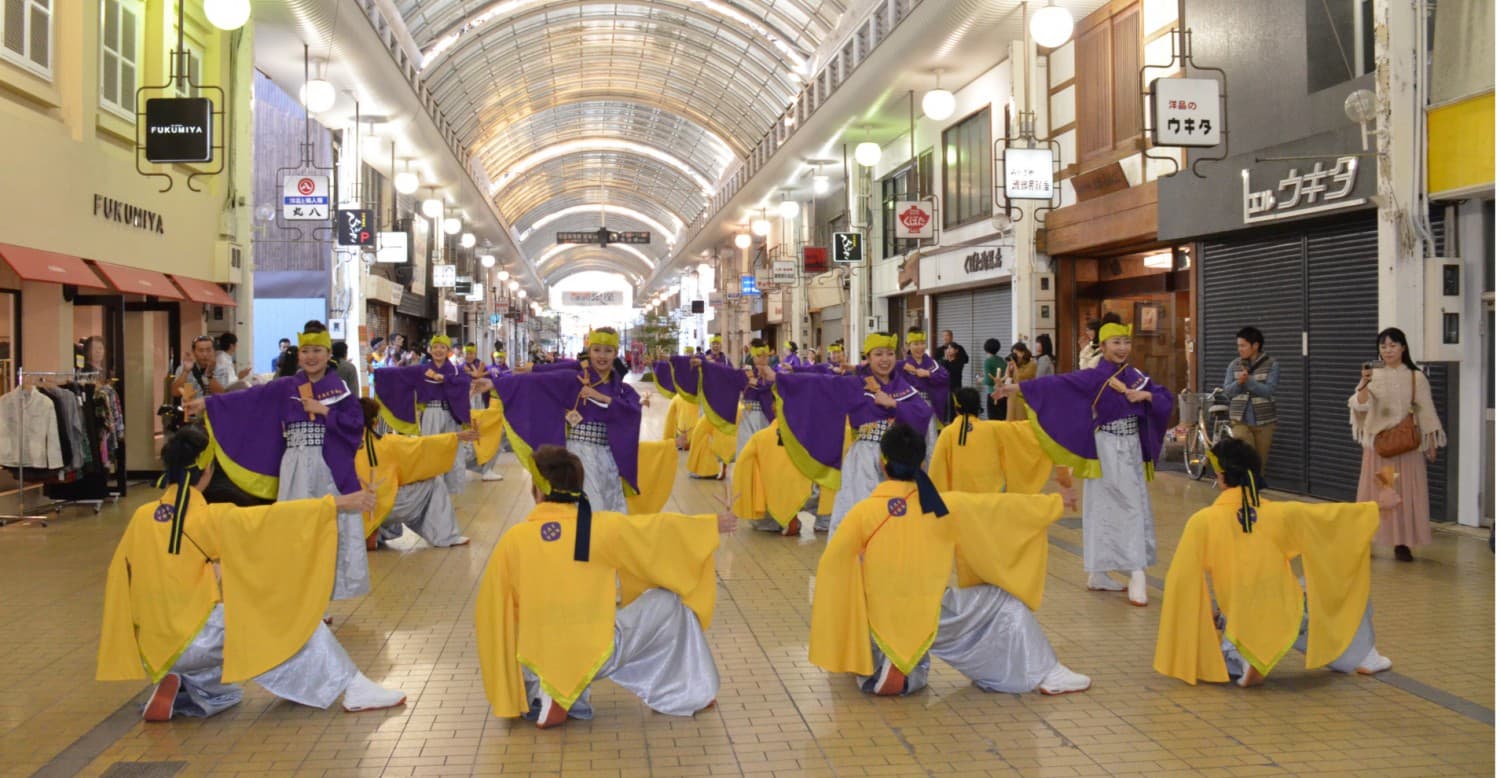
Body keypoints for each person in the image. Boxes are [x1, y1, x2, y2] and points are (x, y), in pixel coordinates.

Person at [98, 427, 407, 720]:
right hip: (194, 638)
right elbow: (275, 519)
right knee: (288, 622)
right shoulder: (210, 517)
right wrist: (338, 502)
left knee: (228, 690)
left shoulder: (140, 517)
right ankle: (354, 688)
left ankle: (184, 686)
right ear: (207, 471)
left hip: (154, 644)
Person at [809, 423, 1091, 697]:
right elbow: (1004, 509)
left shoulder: (863, 512)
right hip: (932, 613)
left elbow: (832, 565)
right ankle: (1048, 672)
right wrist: (1055, 503)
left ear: (882, 464)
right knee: (1005, 603)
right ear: (921, 464)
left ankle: (882, 659)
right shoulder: (944, 505)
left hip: (877, 613)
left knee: (880, 626)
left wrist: (855, 610)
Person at [476, 445, 732, 727]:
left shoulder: (515, 539)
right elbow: (658, 531)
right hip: (593, 650)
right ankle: (690, 691)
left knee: (524, 629)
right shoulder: (600, 527)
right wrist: (712, 525)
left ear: (538, 489)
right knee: (670, 601)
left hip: (537, 652)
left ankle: (545, 688)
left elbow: (492, 609)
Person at [1154, 438, 1392, 687]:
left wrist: (1203, 616)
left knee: (1233, 619)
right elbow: (1333, 519)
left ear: (1221, 477)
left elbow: (1182, 578)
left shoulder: (1202, 521)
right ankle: (1364, 655)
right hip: (1282, 607)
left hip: (1237, 611)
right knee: (1333, 590)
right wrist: (1379, 507)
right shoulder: (1280, 513)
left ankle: (1241, 653)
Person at [186, 323, 371, 601]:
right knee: (295, 532)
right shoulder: (287, 386)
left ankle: (322, 597)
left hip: (328, 469)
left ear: (328, 353)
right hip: (294, 467)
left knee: (327, 531)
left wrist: (324, 411)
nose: (311, 357)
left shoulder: (339, 388)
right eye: (306, 351)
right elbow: (249, 398)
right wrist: (208, 404)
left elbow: (356, 425)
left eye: (317, 351)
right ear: (298, 356)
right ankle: (300, 599)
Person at [995, 320, 1173, 606]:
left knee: (1126, 504)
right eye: (1115, 343)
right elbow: (1055, 384)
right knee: (1116, 507)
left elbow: (1165, 396)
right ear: (1102, 347)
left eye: (1126, 342)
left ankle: (1102, 572)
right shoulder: (1093, 377)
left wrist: (1146, 395)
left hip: (1129, 449)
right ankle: (1133, 570)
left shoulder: (1135, 375)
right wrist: (1014, 387)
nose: (1122, 348)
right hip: (1104, 449)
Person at [775, 332, 935, 535]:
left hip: (899, 461)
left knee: (897, 512)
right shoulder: (855, 384)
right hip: (864, 460)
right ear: (868, 357)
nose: (885, 359)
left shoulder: (903, 387)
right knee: (862, 512)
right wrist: (779, 379)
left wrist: (893, 404)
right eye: (878, 354)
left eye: (889, 354)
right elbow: (819, 383)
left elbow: (923, 412)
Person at [492, 328, 644, 513]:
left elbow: (632, 411)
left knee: (612, 503)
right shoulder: (576, 379)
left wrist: (602, 398)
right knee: (589, 504)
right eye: (597, 350)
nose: (602, 356)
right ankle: (586, 540)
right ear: (589, 352)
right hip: (578, 453)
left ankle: (603, 540)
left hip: (609, 456)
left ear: (616, 353)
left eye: (608, 350)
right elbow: (536, 383)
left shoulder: (621, 389)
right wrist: (494, 384)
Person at [1350, 327, 1446, 562]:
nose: (1388, 350)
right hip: (1380, 446)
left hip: (1407, 446)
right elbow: (1360, 406)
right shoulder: (1373, 374)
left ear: (1403, 347)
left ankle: (1402, 543)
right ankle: (1365, 539)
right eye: (1383, 346)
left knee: (1405, 493)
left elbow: (1424, 408)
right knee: (1377, 493)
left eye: (1393, 345)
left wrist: (1431, 440)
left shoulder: (1416, 376)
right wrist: (1363, 382)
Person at [371, 334, 482, 496]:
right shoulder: (422, 369)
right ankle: (433, 491)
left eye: (442, 347)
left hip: (452, 413)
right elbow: (398, 374)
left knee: (454, 449)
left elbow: (464, 382)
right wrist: (376, 372)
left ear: (448, 351)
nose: (438, 350)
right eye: (435, 347)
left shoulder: (456, 370)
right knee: (431, 450)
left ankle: (452, 490)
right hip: (431, 412)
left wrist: (444, 378)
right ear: (430, 350)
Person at [355, 399, 472, 549]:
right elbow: (422, 446)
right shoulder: (388, 443)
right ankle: (446, 536)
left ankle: (372, 532)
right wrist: (456, 437)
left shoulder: (341, 445)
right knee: (433, 483)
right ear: (375, 421)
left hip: (353, 507)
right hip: (383, 504)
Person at [929, 388, 1054, 495]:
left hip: (961, 499)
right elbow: (1017, 428)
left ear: (956, 408)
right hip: (991, 495)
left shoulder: (948, 433)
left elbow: (937, 471)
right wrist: (1012, 397)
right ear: (978, 407)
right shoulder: (992, 428)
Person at [1220, 326, 1279, 469]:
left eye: (1243, 346)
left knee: (1259, 463)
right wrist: (1239, 383)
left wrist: (1249, 381)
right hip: (1240, 420)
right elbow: (1227, 391)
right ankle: (1243, 490)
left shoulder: (1272, 364)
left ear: (1255, 345)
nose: (1240, 349)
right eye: (1238, 346)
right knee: (1246, 459)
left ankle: (1254, 490)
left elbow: (1269, 391)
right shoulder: (1234, 365)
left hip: (1264, 421)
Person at [900, 328, 948, 452]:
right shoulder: (903, 366)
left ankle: (930, 471)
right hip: (910, 407)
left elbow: (945, 377)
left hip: (928, 405)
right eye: (915, 344)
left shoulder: (932, 364)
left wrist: (928, 374)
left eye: (922, 343)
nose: (919, 347)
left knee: (931, 441)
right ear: (908, 346)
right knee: (910, 440)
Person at [172, 336, 224, 423]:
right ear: (194, 352)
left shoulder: (221, 369)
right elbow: (175, 393)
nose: (205, 354)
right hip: (191, 416)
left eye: (208, 350)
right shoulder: (183, 368)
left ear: (214, 351)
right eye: (201, 350)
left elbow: (222, 395)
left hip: (214, 416)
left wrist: (210, 375)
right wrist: (185, 372)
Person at [1004, 342, 1039, 421]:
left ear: (1023, 353)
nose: (1015, 355)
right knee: (1011, 425)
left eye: (1016, 353)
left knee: (1021, 424)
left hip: (1023, 399)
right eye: (1013, 353)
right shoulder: (1015, 365)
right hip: (1012, 399)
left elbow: (1020, 379)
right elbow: (1007, 381)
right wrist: (1009, 368)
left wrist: (1015, 366)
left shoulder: (1031, 365)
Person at [980, 338, 1005, 420]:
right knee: (1002, 419)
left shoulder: (988, 361)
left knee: (993, 419)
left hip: (993, 394)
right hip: (1003, 393)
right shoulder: (1002, 360)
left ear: (985, 348)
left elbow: (988, 380)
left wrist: (981, 380)